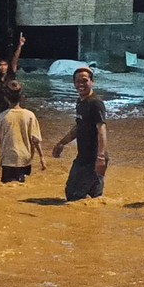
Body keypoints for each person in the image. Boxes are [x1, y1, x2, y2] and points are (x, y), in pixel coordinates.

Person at [52, 67, 108, 201]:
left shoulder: (96, 103)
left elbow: (102, 130)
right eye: (77, 81)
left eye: (84, 81)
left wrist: (100, 158)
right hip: (84, 156)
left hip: (93, 158)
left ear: (92, 82)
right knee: (94, 197)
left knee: (73, 195)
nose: (81, 84)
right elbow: (78, 127)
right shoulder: (81, 102)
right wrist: (61, 143)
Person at [0, 80, 46, 183]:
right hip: (25, 159)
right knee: (21, 184)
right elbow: (36, 140)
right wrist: (42, 158)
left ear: (5, 98)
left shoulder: (1, 117)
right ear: (22, 97)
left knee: (8, 187)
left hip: (8, 159)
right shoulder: (30, 115)